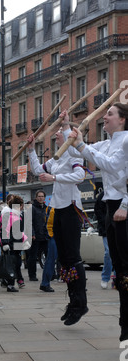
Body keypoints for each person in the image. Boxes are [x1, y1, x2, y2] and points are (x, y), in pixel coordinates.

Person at [68, 102, 128, 341]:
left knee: (126, 268)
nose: (105, 117)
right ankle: (125, 325)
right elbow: (76, 152)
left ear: (123, 119)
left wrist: (125, 206)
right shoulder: (108, 142)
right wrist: (69, 132)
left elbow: (111, 164)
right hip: (111, 208)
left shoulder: (126, 141)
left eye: (110, 114)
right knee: (119, 268)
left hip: (123, 206)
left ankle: (127, 327)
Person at [27, 112, 88, 326]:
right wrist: (31, 149)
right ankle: (73, 303)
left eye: (60, 134)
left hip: (71, 209)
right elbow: (36, 170)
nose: (56, 136)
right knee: (64, 258)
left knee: (73, 257)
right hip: (58, 210)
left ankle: (81, 303)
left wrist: (66, 123)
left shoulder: (73, 155)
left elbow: (80, 177)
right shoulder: (57, 159)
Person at [0, 195, 30, 292]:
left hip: (16, 243)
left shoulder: (17, 215)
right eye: (22, 205)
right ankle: (10, 285)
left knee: (16, 263)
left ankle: (6, 281)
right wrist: (5, 243)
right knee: (12, 264)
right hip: (11, 243)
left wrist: (24, 240)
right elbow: (4, 230)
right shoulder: (10, 216)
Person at [26, 190, 48, 281]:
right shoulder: (32, 208)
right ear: (36, 197)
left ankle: (50, 274)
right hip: (35, 236)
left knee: (48, 255)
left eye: (42, 196)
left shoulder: (46, 208)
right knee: (33, 256)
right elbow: (29, 222)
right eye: (39, 196)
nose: (40, 198)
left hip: (45, 235)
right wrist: (32, 233)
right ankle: (32, 275)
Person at [94, 190, 113, 289]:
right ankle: (105, 278)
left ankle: (118, 278)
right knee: (108, 253)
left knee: (121, 253)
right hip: (106, 228)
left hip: (120, 226)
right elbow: (97, 210)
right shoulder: (103, 195)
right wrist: (105, 222)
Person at [39, 206, 57, 293]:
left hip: (60, 236)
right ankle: (45, 283)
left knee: (51, 259)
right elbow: (48, 224)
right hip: (55, 236)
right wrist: (51, 235)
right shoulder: (51, 208)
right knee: (51, 259)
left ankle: (45, 283)